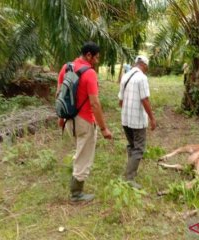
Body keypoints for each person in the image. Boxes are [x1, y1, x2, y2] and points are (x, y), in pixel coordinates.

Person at [57, 41, 112, 202]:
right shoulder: (89, 73)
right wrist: (104, 129)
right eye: (96, 58)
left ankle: (76, 182)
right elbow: (95, 103)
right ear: (89, 55)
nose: (97, 61)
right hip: (85, 120)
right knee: (84, 155)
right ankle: (76, 193)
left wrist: (61, 117)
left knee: (79, 150)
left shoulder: (66, 67)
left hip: (69, 119)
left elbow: (59, 94)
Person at [118, 55, 156, 189]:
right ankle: (129, 177)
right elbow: (145, 100)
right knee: (139, 147)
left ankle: (130, 170)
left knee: (132, 145)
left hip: (125, 118)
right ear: (144, 65)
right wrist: (152, 118)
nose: (147, 69)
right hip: (137, 119)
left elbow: (120, 101)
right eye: (147, 67)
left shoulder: (126, 76)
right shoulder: (142, 78)